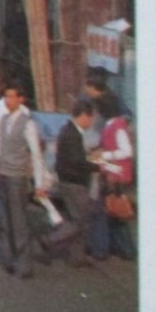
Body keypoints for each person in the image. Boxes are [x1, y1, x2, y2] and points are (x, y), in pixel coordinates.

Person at [0, 85, 51, 278]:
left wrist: (39, 183)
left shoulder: (27, 124)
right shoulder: (3, 121)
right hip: (2, 174)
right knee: (5, 219)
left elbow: (35, 154)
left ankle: (24, 264)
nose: (8, 101)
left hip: (18, 177)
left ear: (21, 100)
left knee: (18, 221)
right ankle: (9, 259)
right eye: (6, 97)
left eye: (12, 97)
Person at [47, 98, 99, 268]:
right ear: (84, 116)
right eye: (90, 118)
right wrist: (96, 166)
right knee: (79, 221)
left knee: (76, 218)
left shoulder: (67, 130)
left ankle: (77, 257)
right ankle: (49, 240)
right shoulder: (73, 134)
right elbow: (77, 161)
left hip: (66, 180)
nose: (91, 123)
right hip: (74, 182)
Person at [89, 109, 136, 261]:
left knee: (109, 211)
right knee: (112, 212)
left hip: (115, 174)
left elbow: (127, 151)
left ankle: (103, 249)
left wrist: (105, 155)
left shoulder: (117, 127)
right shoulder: (114, 126)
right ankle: (122, 249)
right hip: (113, 173)